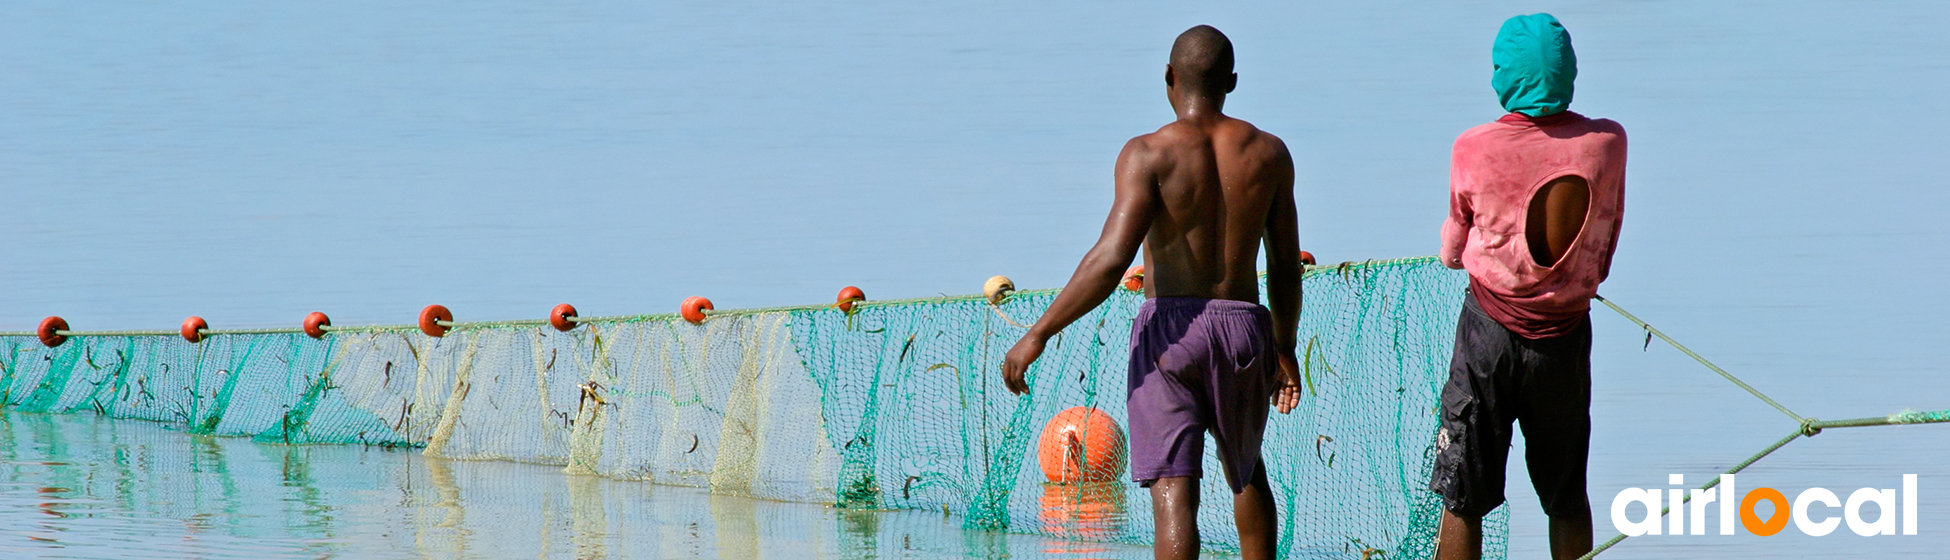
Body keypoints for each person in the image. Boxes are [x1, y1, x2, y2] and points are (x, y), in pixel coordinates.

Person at [999, 25, 1304, 560]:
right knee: (1247, 469)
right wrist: (1284, 346)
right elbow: (1284, 265)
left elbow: (1111, 258)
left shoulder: (1148, 153)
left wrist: (1038, 333)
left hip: (1169, 331)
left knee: (1173, 487)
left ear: (1169, 76)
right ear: (1232, 81)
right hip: (1243, 326)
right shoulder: (1269, 154)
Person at [1429, 13, 1627, 560]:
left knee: (1462, 498)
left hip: (1487, 337)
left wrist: (1456, 250)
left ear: (1504, 76)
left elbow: (1452, 246)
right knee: (1566, 498)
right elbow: (1607, 234)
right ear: (1568, 72)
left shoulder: (1473, 147)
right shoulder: (1607, 142)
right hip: (1564, 340)